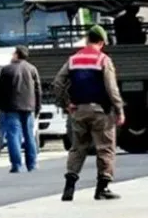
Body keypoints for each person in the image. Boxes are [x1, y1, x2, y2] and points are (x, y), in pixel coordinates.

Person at [51, 25, 125, 202]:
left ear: (87, 40)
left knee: (77, 148)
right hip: (100, 111)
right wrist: (119, 109)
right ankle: (102, 188)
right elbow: (111, 88)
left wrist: (66, 104)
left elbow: (57, 83)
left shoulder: (73, 59)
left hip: (78, 111)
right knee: (105, 147)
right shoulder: (103, 60)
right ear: (101, 42)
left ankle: (69, 187)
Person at [0, 45, 41, 173]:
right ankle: (32, 164)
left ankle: (16, 165)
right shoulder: (32, 69)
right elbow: (38, 90)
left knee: (13, 135)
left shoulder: (6, 70)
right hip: (29, 107)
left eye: (13, 53)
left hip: (11, 107)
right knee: (29, 135)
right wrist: (37, 107)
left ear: (17, 54)